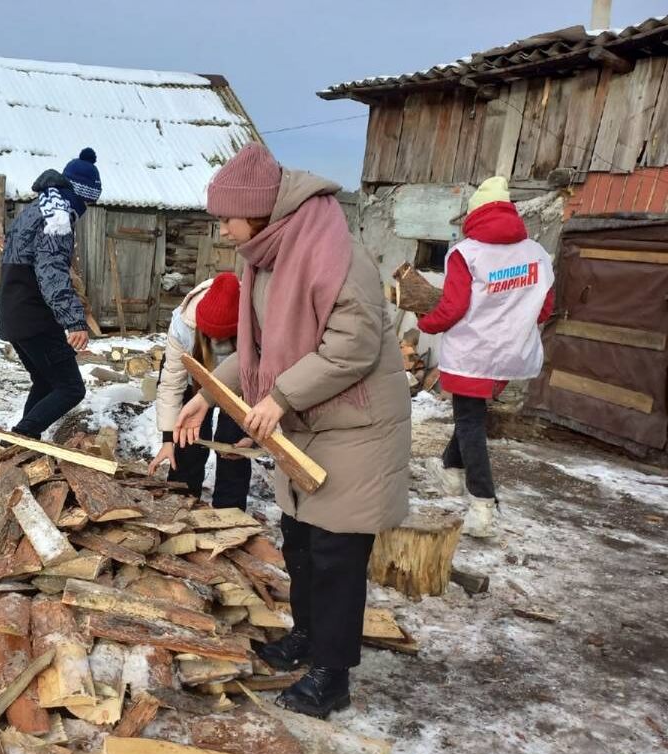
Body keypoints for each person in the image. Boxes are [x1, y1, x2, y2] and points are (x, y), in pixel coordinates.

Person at [175, 143, 410, 719]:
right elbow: (255, 351)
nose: (224, 230)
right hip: (305, 424)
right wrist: (206, 396)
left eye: (228, 218)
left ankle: (333, 674)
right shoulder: (264, 257)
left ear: (258, 211)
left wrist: (278, 398)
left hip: (355, 425)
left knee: (336, 553)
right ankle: (307, 636)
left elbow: (351, 349)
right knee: (301, 541)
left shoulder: (338, 256)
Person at [418, 177, 554, 539]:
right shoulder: (536, 254)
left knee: (470, 422)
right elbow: (545, 308)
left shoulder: (467, 252)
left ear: (476, 212)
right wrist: (513, 327)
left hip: (472, 352)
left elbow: (453, 306)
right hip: (509, 353)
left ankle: (482, 504)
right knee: (471, 415)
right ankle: (450, 473)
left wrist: (426, 323)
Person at [0, 148, 102, 439]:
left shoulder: (35, 209)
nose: (86, 209)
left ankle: (22, 442)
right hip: (34, 315)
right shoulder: (57, 217)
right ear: (81, 195)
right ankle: (22, 436)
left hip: (14, 312)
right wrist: (75, 320)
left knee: (45, 381)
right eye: (88, 202)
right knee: (71, 387)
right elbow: (51, 272)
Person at [148, 272, 251, 509]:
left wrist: (253, 434)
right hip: (194, 383)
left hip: (239, 388)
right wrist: (167, 439)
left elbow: (266, 380)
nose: (217, 343)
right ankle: (180, 503)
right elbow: (171, 382)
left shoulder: (257, 321)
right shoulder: (184, 324)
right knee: (187, 440)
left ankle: (230, 514)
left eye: (225, 337)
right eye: (212, 336)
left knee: (232, 447)